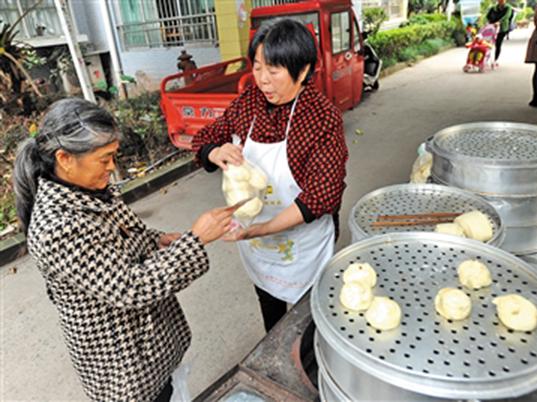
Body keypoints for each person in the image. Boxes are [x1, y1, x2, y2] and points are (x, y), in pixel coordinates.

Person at [13, 98, 234, 401]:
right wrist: (195, 241)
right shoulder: (57, 227)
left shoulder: (89, 189)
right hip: (122, 363)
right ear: (64, 158)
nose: (112, 168)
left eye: (113, 156)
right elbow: (130, 287)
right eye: (103, 159)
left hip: (147, 343)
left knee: (167, 389)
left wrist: (157, 240)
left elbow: (123, 234)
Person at [191, 19, 348, 332]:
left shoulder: (322, 118)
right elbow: (206, 137)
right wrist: (214, 151)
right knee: (271, 312)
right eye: (258, 67)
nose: (263, 80)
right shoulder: (249, 102)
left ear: (303, 71)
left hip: (304, 243)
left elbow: (321, 195)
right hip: (258, 245)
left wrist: (258, 230)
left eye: (274, 70)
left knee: (310, 318)